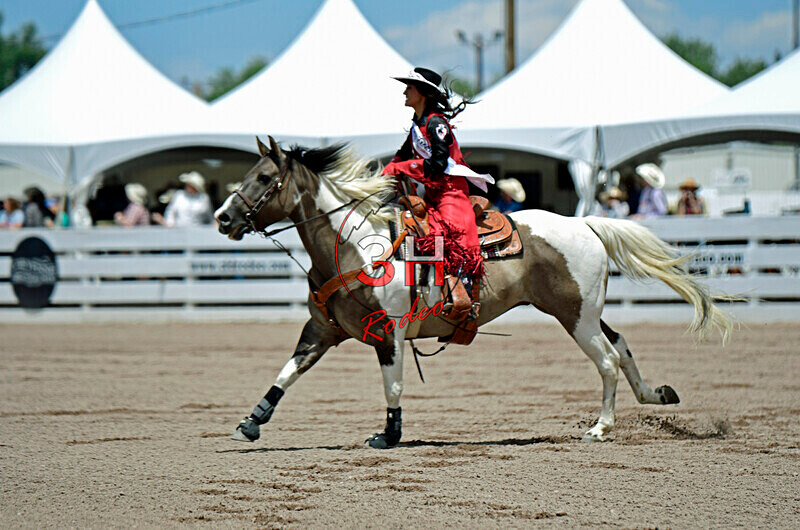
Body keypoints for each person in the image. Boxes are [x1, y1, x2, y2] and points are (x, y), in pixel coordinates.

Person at [382, 67, 494, 320]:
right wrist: (389, 170)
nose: (404, 91)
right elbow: (403, 154)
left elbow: (439, 164)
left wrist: (399, 167)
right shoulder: (418, 124)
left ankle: (465, 293)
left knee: (455, 234)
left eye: (409, 87)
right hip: (433, 192)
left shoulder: (436, 123)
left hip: (452, 192)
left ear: (421, 93)